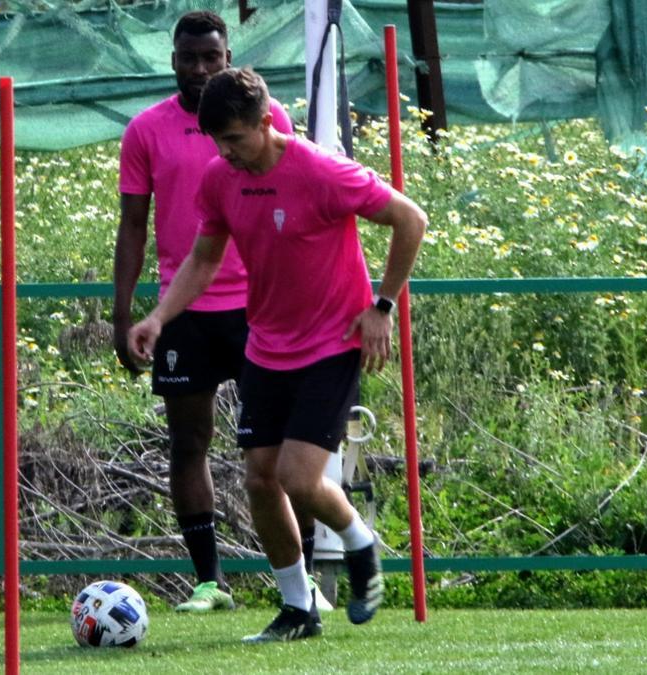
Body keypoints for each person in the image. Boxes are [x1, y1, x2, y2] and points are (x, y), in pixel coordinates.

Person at [127, 67, 427, 643]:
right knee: (261, 480)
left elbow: (411, 219)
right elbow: (205, 258)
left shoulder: (321, 171)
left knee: (296, 475)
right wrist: (160, 317)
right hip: (267, 345)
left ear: (266, 122)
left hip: (333, 343)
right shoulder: (220, 178)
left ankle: (360, 545)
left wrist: (382, 308)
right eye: (217, 140)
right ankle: (298, 609)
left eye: (235, 139)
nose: (225, 151)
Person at [112, 11, 330, 615]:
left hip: (264, 308)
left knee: (289, 453)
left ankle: (303, 580)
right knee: (190, 442)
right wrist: (124, 312)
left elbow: (304, 201)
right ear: (174, 60)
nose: (203, 69)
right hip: (183, 310)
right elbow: (132, 225)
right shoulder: (146, 131)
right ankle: (209, 582)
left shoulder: (270, 118)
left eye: (213, 57)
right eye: (191, 58)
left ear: (229, 54)